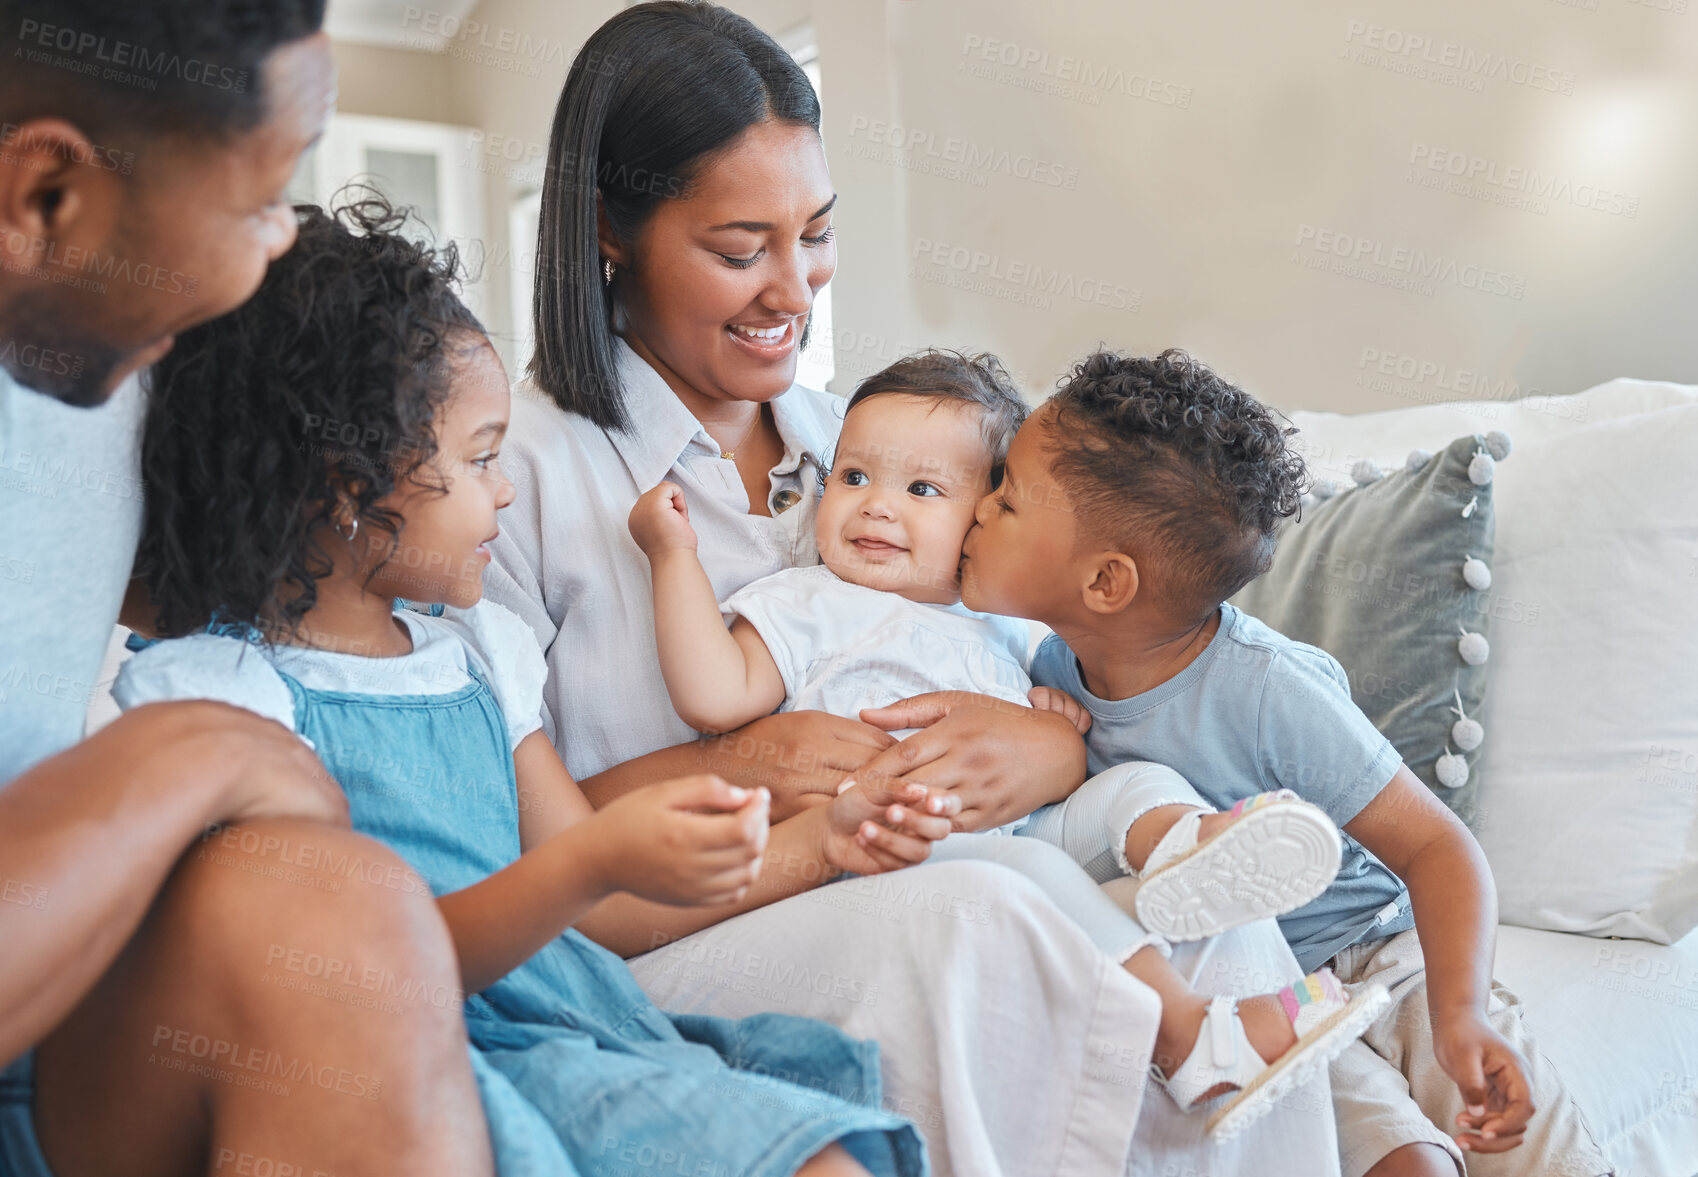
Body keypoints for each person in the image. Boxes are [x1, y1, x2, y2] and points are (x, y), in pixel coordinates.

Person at [486, 4, 1345, 1172]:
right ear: (609, 232)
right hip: (677, 930)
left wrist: (1044, 750)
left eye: (818, 235)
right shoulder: (512, 477)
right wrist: (746, 764)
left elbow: (1014, 643)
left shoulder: (866, 436)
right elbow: (506, 842)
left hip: (928, 845)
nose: (794, 290)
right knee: (989, 917)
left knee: (1207, 900)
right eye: (742, 250)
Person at [111, 196, 934, 1177]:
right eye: (481, 458)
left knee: (822, 1143)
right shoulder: (232, 697)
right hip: (425, 1059)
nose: (505, 488)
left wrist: (820, 841)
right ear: (345, 485)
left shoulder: (482, 659)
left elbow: (597, 913)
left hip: (585, 1029)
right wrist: (588, 865)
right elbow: (343, 975)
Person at [628, 347, 1390, 1136]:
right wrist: (671, 558)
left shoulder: (1006, 620)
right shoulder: (807, 601)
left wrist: (1050, 723)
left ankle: (1184, 847)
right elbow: (713, 694)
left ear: (985, 512)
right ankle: (1189, 1033)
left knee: (1129, 786)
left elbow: (1058, 738)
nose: (876, 508)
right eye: (852, 478)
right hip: (893, 852)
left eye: (923, 490)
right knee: (1025, 876)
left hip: (1015, 829)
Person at [0, 2, 494, 1174]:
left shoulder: (110, 359)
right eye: (261, 198)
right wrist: (181, 759)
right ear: (48, 196)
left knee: (333, 912)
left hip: (67, 1023)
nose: (277, 243)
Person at [957, 347, 1615, 1177]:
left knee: (1536, 1152)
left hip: (1385, 948)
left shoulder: (1268, 687)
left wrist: (1461, 1013)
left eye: (1007, 497)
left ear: (1105, 581)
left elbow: (1438, 846)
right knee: (1405, 1164)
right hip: (1263, 991)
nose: (975, 509)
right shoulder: (1041, 682)